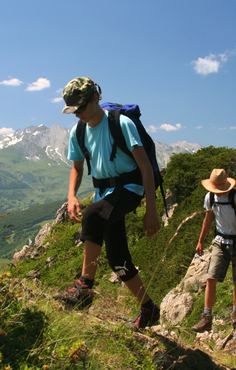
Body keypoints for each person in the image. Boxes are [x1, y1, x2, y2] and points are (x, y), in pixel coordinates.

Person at [61, 77, 161, 329]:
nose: (78, 115)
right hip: (104, 193)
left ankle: (84, 286)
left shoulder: (122, 124)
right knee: (116, 255)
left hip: (130, 188)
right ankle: (149, 308)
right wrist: (71, 195)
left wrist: (152, 210)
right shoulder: (79, 131)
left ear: (95, 97)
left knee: (93, 216)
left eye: (81, 108)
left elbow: (145, 168)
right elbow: (77, 167)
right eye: (74, 112)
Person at [192, 169, 236, 333]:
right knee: (211, 277)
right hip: (220, 241)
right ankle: (206, 317)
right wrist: (200, 241)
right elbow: (208, 219)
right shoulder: (209, 197)